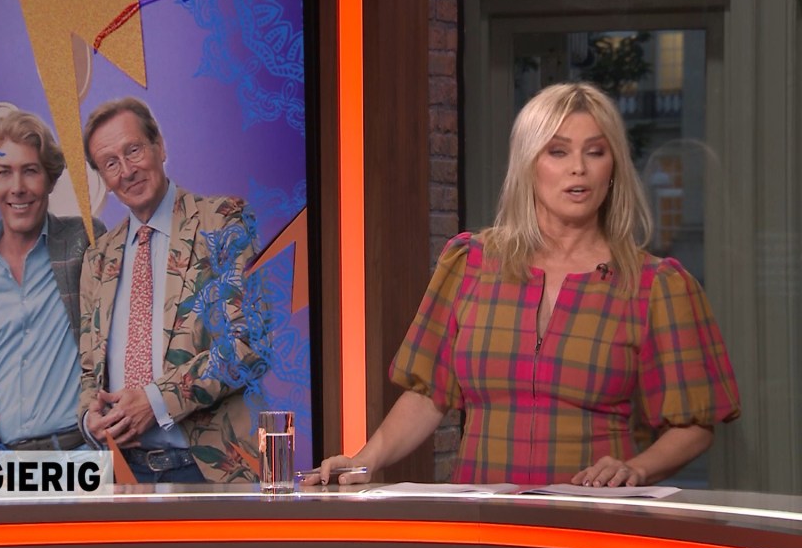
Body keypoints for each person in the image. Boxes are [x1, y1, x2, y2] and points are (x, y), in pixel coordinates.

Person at [306, 82, 741, 488]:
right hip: (483, 524)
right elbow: (426, 395)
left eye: (595, 152)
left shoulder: (655, 286)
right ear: (529, 164)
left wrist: (637, 468)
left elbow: (694, 426)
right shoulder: (470, 264)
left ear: (613, 170)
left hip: (593, 519)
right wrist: (364, 461)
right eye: (558, 151)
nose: (578, 168)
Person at [77, 97, 263, 483]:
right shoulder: (98, 257)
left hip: (207, 471)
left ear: (160, 146)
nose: (127, 171)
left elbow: (248, 344)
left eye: (133, 150)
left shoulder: (223, 222)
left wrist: (156, 401)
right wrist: (89, 419)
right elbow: (90, 371)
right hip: (124, 474)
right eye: (110, 163)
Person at [0, 110, 106, 451]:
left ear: (50, 180)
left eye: (30, 171)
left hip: (82, 453)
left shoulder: (83, 241)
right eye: (4, 172)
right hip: (3, 465)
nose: (17, 188)